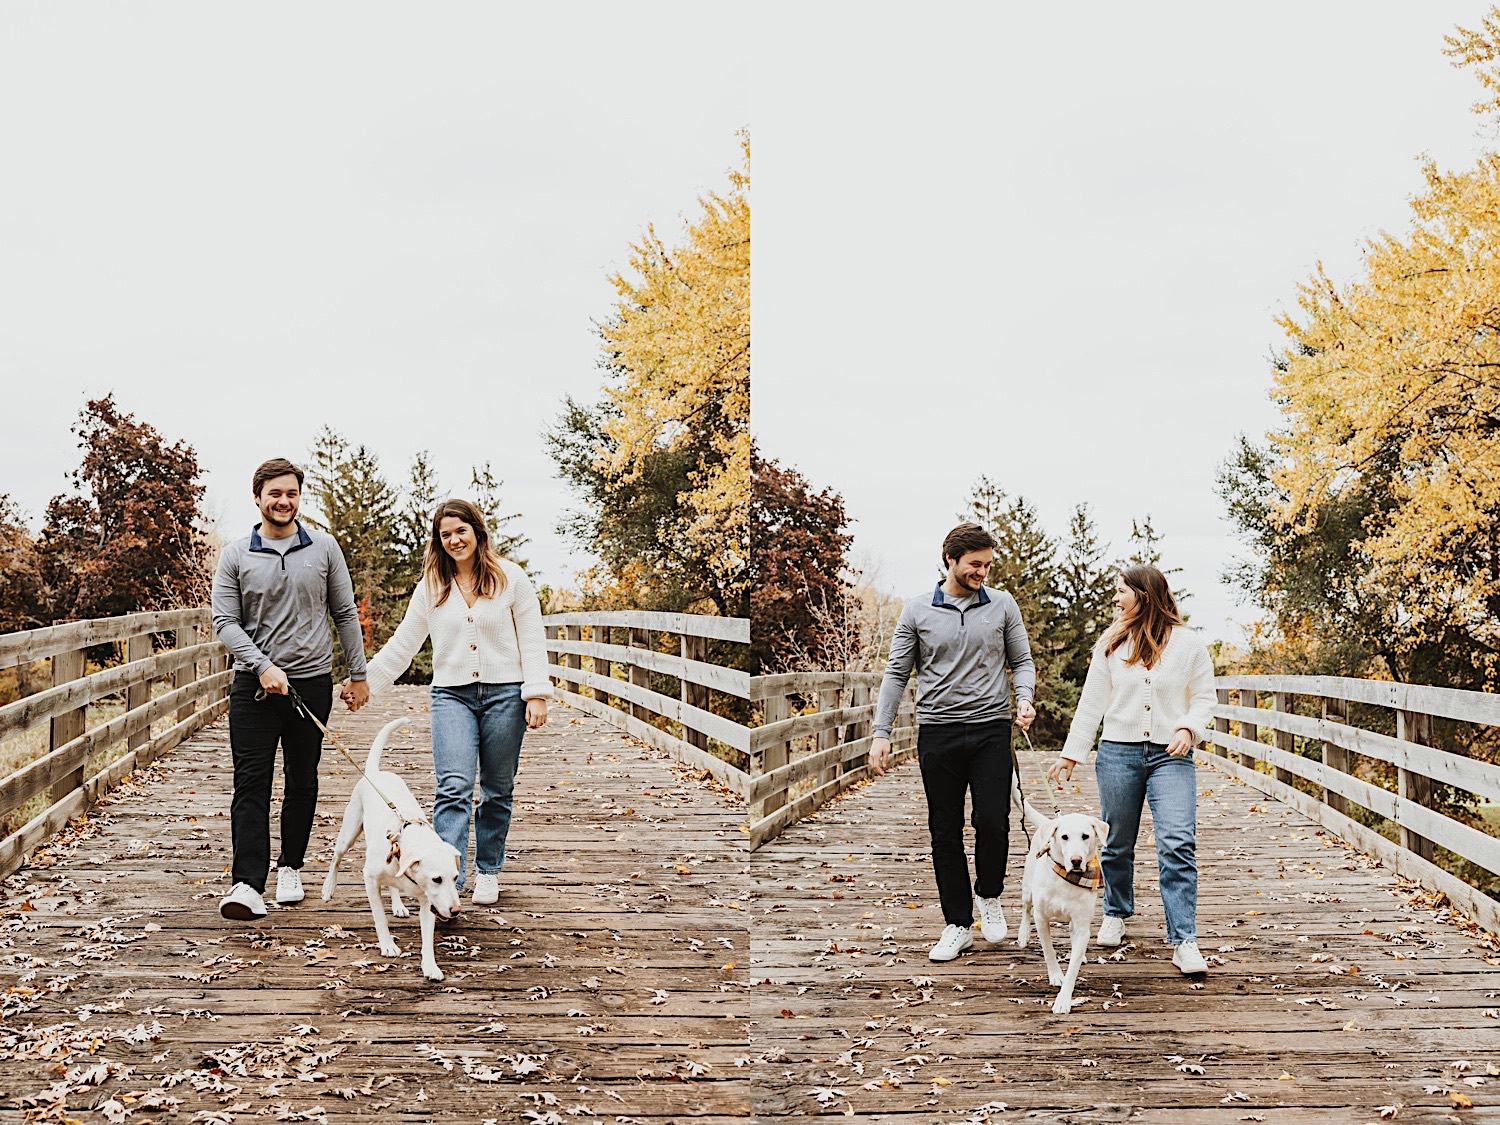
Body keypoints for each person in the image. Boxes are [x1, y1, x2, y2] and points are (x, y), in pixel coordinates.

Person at [346, 498, 551, 907]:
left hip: (506, 695)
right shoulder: (432, 587)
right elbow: (404, 644)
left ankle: (488, 870)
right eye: (446, 535)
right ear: (438, 542)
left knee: (496, 788)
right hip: (451, 695)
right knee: (453, 787)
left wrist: (537, 692)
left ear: (477, 531)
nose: (455, 540)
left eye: (461, 531)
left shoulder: (511, 578)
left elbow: (532, 637)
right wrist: (366, 682)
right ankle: (446, 881)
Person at [870, 522, 1037, 963]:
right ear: (951, 560)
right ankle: (957, 924)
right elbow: (896, 675)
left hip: (990, 730)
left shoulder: (1002, 605)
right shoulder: (917, 611)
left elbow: (1022, 661)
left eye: (987, 564)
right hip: (938, 733)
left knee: (994, 821)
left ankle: (989, 895)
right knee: (944, 830)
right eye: (974, 565)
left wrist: (1024, 699)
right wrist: (881, 733)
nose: (982, 572)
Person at [211, 457, 369, 921]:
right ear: (257, 497)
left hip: (310, 684)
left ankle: (290, 867)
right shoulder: (236, 555)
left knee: (302, 778)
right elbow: (224, 621)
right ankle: (246, 884)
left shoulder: (324, 549)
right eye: (274, 493)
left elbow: (344, 613)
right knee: (251, 783)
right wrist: (261, 666)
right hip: (253, 689)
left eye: (292, 493)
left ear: (299, 499)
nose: (283, 501)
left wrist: (357, 675)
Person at [1045, 564, 1217, 976]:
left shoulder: (1189, 643)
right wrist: (1072, 754)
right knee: (1116, 841)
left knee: (1178, 842)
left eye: (1122, 591)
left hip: (1170, 757)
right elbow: (1091, 703)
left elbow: (1205, 699)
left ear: (1145, 594)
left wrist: (1189, 728)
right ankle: (1116, 911)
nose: (1116, 599)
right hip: (1118, 753)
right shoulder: (1110, 643)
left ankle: (1184, 940)